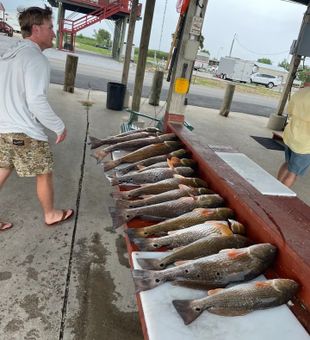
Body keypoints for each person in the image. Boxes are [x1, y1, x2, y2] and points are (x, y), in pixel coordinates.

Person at [0, 6, 74, 230]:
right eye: (50, 28)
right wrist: (59, 127)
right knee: (44, 172)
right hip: (23, 129)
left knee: (2, 169)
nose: (54, 33)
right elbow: (36, 101)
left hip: (2, 127)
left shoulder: (9, 54)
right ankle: (51, 214)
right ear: (36, 29)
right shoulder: (35, 59)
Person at [277, 84, 310, 187]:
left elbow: (289, 111)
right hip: (305, 144)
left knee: (287, 163)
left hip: (291, 135)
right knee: (293, 173)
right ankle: (279, 195)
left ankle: (274, 187)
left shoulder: (301, 92)